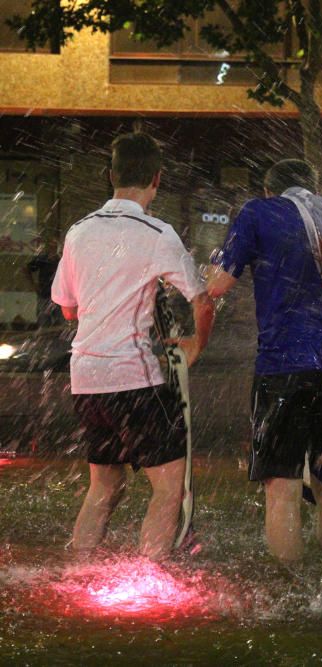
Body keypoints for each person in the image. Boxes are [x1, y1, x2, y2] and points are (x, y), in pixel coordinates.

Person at [51, 131, 215, 560]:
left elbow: (68, 309)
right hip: (133, 378)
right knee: (169, 486)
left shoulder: (78, 231)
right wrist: (196, 344)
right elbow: (201, 299)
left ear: (110, 176)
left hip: (85, 378)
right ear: (157, 180)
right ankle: (150, 578)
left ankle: (78, 569)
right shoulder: (157, 232)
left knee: (104, 485)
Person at [207, 159, 322, 563]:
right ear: (313, 187)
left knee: (280, 486)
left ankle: (291, 593)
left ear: (270, 189)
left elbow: (218, 284)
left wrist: (211, 263)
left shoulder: (258, 212)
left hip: (283, 368)